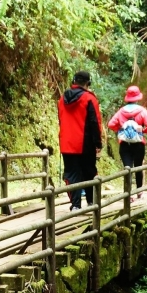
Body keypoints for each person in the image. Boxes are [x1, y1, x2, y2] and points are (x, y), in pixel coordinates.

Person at [58, 69, 103, 210]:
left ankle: (75, 205)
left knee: (71, 174)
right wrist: (98, 143)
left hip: (66, 143)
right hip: (85, 144)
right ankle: (91, 202)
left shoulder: (61, 99)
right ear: (87, 83)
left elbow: (60, 119)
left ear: (74, 82)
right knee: (89, 172)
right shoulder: (90, 99)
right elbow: (95, 122)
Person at [107, 86, 147, 197]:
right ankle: (139, 191)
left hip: (124, 144)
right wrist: (143, 130)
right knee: (138, 167)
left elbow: (111, 124)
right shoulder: (142, 111)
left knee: (127, 168)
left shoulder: (121, 112)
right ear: (137, 98)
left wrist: (120, 129)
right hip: (138, 144)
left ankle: (128, 193)